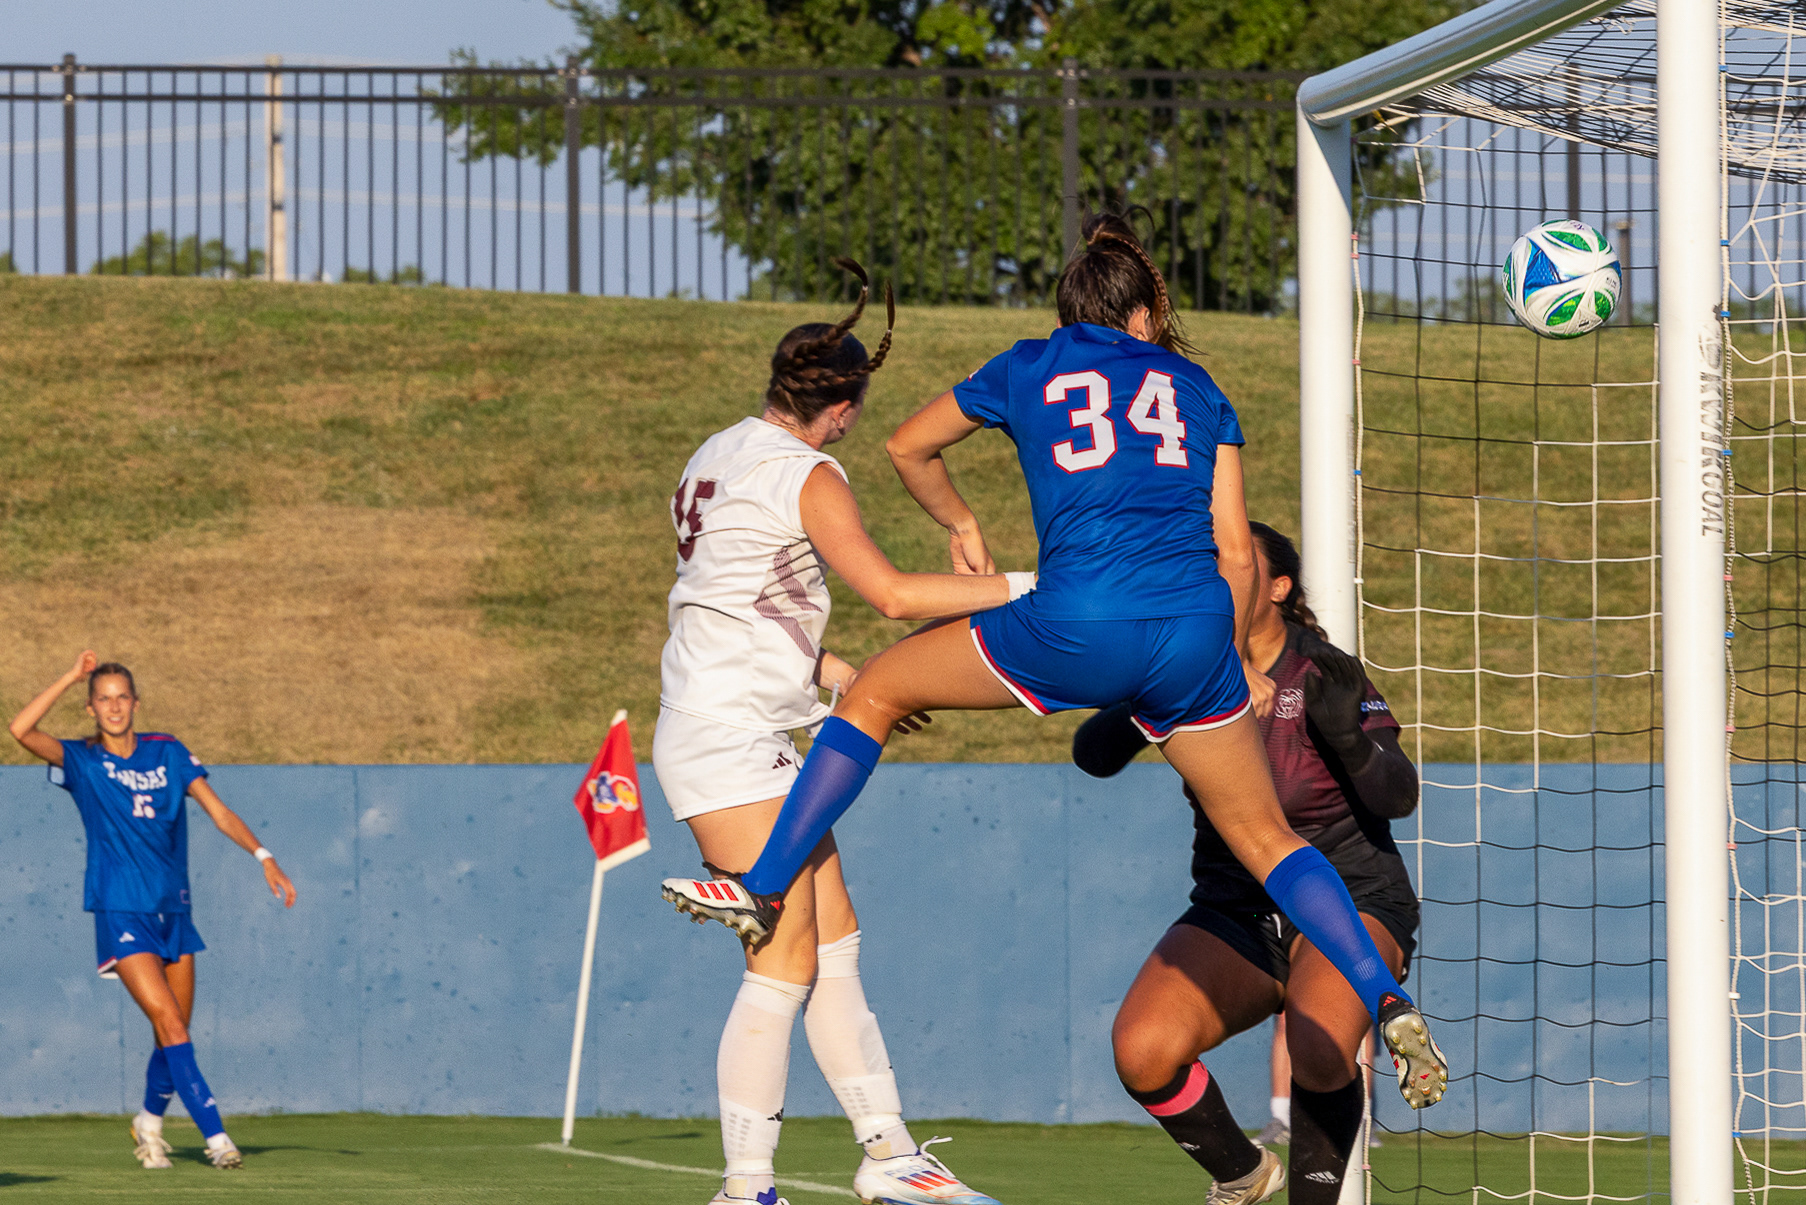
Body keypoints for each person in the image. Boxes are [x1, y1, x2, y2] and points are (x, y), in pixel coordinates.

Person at [660, 214, 1448, 1145]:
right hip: (1197, 633)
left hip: (1078, 620)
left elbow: (907, 447)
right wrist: (1216, 650)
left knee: (872, 690)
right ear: (1147, 316)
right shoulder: (1199, 386)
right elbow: (1237, 550)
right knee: (1272, 841)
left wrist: (958, 521)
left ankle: (761, 883)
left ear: (1069, 309)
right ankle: (1386, 994)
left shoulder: (1029, 364)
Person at [655, 259, 1021, 1205]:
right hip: (729, 737)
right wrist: (1037, 589)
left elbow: (739, 603)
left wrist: (840, 675)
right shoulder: (807, 473)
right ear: (847, 406)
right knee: (782, 960)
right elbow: (896, 595)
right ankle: (745, 1187)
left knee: (836, 944)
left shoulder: (714, 452)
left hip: (744, 721)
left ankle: (890, 1154)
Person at [1074, 522, 1420, 1205]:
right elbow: (1094, 753)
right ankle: (1243, 1174)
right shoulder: (1182, 662)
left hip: (1351, 896)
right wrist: (1143, 701)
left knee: (1320, 1048)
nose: (1214, 577)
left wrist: (1350, 741)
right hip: (1237, 905)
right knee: (1143, 1050)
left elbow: (1398, 794)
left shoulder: (1321, 669)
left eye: (1234, 566)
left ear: (1279, 588)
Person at [8, 650, 297, 1172]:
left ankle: (148, 1121)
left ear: (135, 703)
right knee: (169, 1022)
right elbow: (20, 728)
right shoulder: (82, 760)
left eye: (122, 697)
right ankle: (218, 1139)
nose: (114, 706)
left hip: (173, 910)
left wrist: (264, 856)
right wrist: (71, 676)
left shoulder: (167, 752)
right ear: (92, 707)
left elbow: (218, 811)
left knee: (175, 1031)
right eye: (103, 698)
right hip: (121, 909)